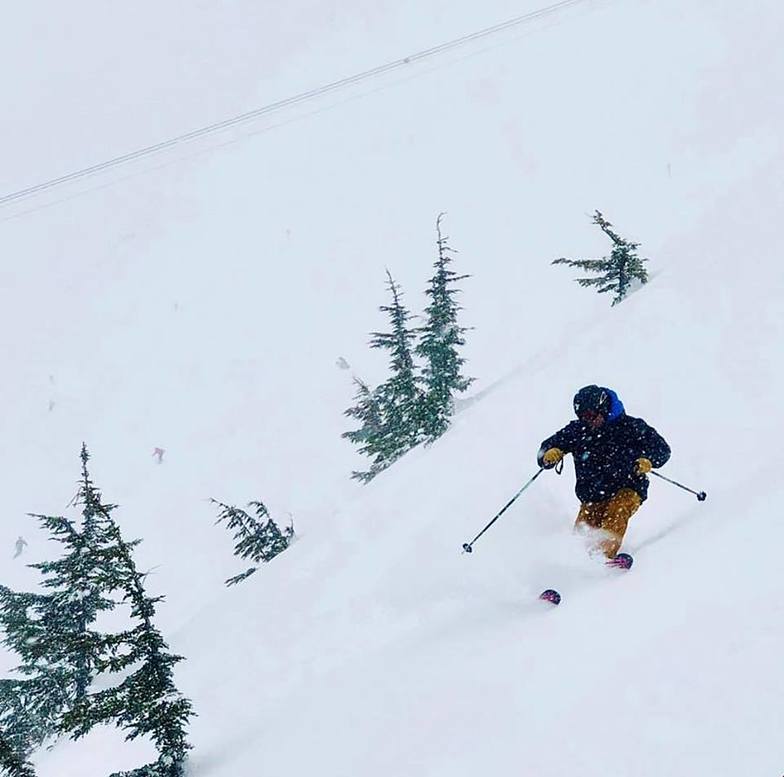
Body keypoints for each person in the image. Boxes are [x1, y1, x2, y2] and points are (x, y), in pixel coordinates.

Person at [537, 385, 671, 561]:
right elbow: (545, 449)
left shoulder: (630, 427)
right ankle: (575, 566)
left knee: (617, 510)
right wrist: (549, 454)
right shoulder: (578, 431)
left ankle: (601, 560)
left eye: (592, 416)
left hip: (627, 487)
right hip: (593, 496)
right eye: (583, 417)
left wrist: (648, 460)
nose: (588, 421)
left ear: (603, 408)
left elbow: (662, 450)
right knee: (582, 535)